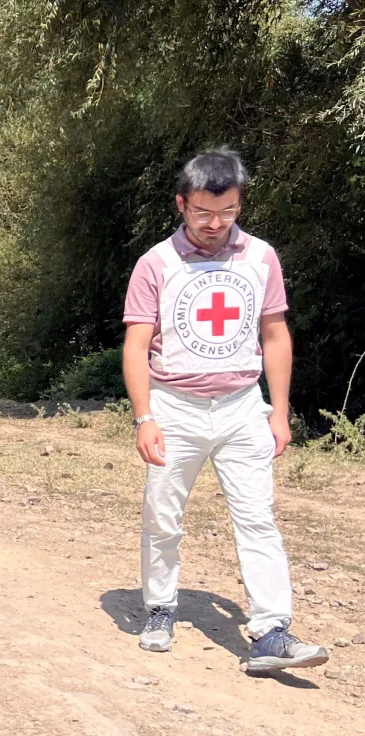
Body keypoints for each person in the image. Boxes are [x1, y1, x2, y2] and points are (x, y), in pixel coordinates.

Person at [123, 148, 328, 672]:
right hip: (175, 406)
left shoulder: (261, 257)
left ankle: (271, 631)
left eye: (228, 212)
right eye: (202, 213)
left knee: (258, 519)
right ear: (181, 205)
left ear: (239, 205)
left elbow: (275, 333)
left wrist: (278, 410)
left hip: (242, 406)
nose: (215, 225)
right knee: (163, 516)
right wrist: (145, 416)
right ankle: (160, 608)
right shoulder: (156, 263)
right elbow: (136, 343)